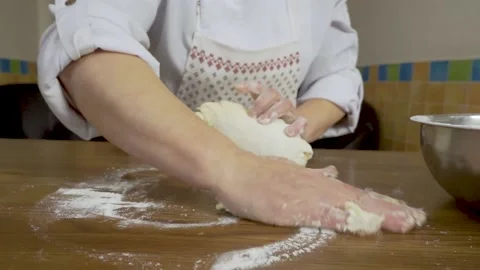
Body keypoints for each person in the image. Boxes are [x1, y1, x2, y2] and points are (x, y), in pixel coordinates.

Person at [37, 0, 425, 234]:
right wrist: (233, 168)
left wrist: (296, 124)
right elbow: (90, 44)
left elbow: (337, 78)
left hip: (282, 183)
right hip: (149, 182)